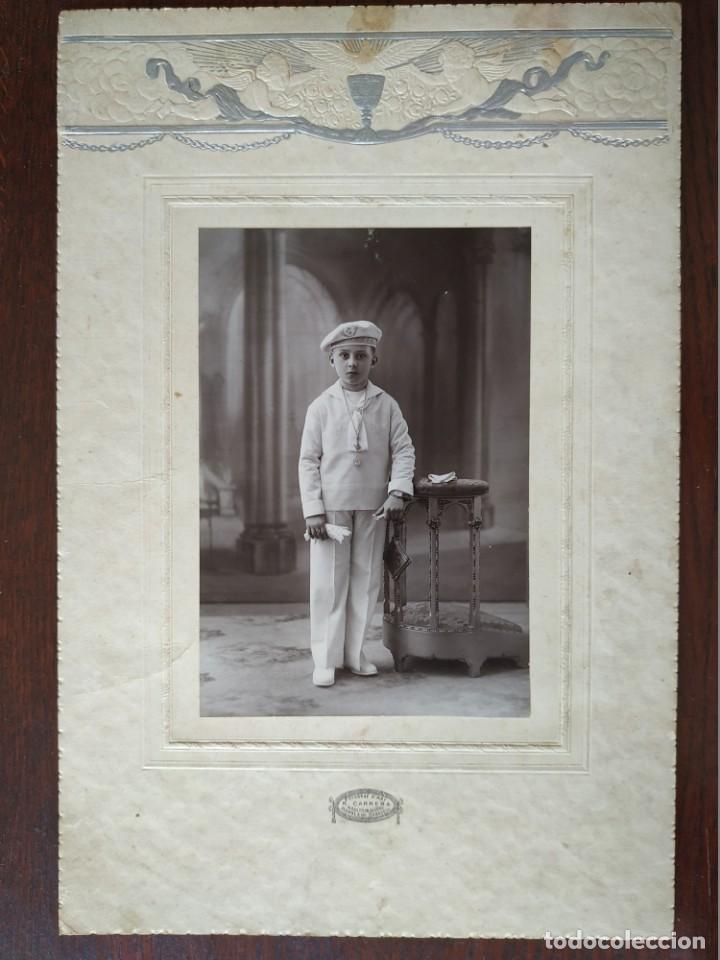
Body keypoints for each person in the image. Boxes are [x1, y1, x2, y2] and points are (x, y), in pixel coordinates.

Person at [298, 321, 415, 687]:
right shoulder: (321, 407)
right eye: (344, 356)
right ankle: (326, 659)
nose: (352, 364)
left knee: (365, 583)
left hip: (373, 504)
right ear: (332, 360)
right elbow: (308, 460)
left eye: (361, 356)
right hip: (332, 507)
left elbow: (403, 449)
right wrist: (313, 509)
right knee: (328, 584)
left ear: (373, 359)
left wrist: (397, 491)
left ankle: (354, 654)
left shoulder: (386, 405)